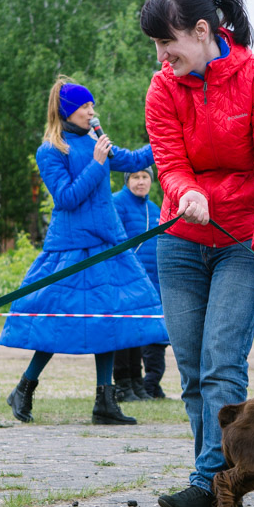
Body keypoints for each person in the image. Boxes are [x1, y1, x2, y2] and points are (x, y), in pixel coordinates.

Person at [140, 0, 254, 507]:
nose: (163, 56)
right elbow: (169, 162)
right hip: (181, 240)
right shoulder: (163, 88)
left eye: (168, 42)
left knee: (221, 361)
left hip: (243, 242)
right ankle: (218, 484)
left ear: (202, 31)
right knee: (191, 369)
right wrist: (187, 192)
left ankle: (210, 484)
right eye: (157, 46)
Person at [1, 78, 166, 426]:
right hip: (72, 249)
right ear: (68, 111)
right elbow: (66, 198)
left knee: (108, 318)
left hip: (108, 244)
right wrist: (96, 162)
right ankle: (25, 387)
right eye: (85, 106)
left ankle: (105, 402)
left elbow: (134, 159)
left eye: (92, 106)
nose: (92, 111)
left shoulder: (95, 140)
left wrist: (167, 138)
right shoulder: (50, 150)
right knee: (58, 321)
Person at [110, 168, 169, 401]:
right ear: (127, 181)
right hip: (123, 280)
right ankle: (122, 383)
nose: (140, 182)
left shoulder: (153, 209)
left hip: (147, 283)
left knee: (138, 333)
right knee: (123, 332)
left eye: (145, 177)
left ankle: (137, 382)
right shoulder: (116, 202)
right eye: (135, 177)